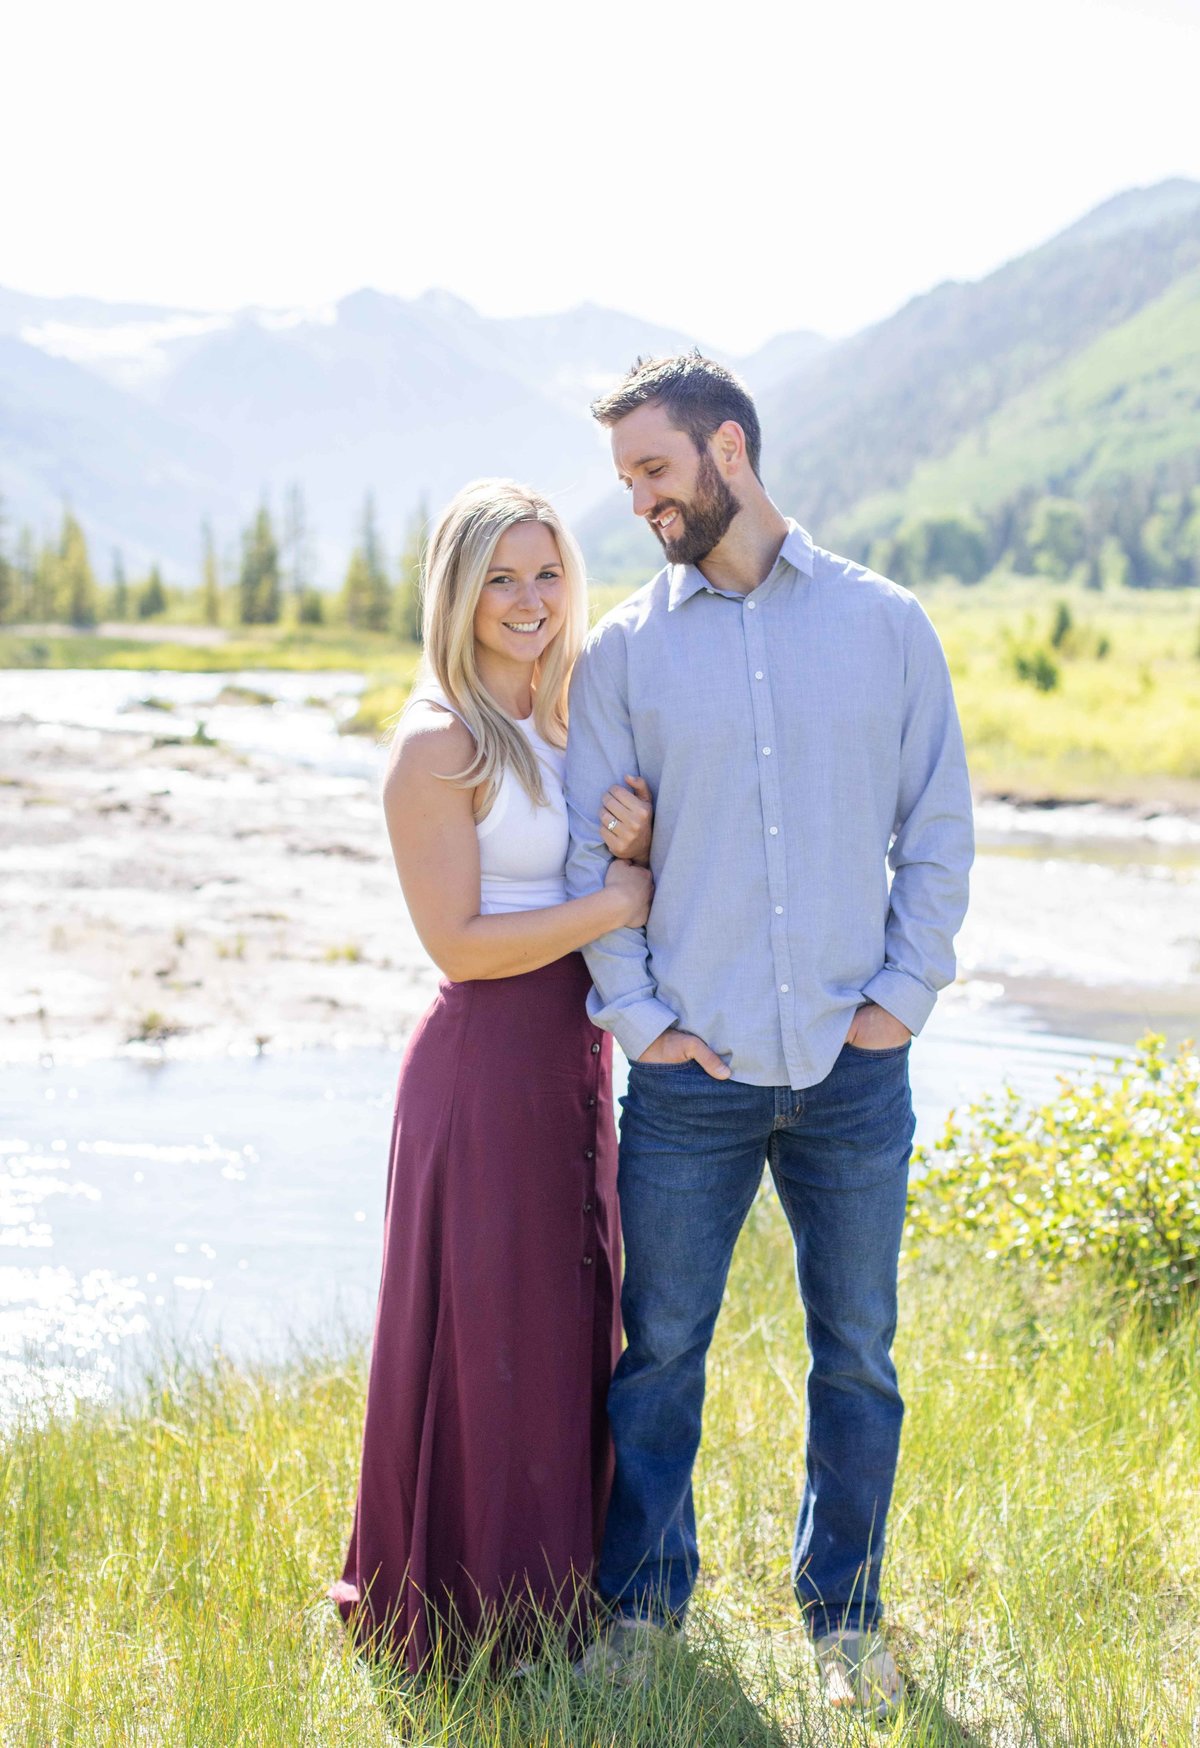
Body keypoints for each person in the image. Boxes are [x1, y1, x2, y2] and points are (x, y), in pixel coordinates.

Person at [564, 354, 974, 1719]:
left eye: (655, 472)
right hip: (694, 1075)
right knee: (661, 1352)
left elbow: (941, 832)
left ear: (728, 448)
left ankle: (845, 1616)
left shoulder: (886, 624)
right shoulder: (624, 649)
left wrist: (899, 1003)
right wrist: (640, 1021)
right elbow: (591, 857)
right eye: (628, 479)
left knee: (857, 1348)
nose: (639, 502)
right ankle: (640, 1611)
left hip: (856, 1070)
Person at [331, 478, 655, 1675]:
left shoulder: (572, 713)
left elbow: (607, 857)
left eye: (548, 571)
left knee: (570, 1323)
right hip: (482, 1063)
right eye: (501, 579)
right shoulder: (437, 737)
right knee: (481, 1330)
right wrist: (611, 899)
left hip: (575, 1058)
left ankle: (554, 1606)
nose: (529, 600)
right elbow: (459, 941)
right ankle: (459, 1613)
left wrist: (637, 843)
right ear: (458, 595)